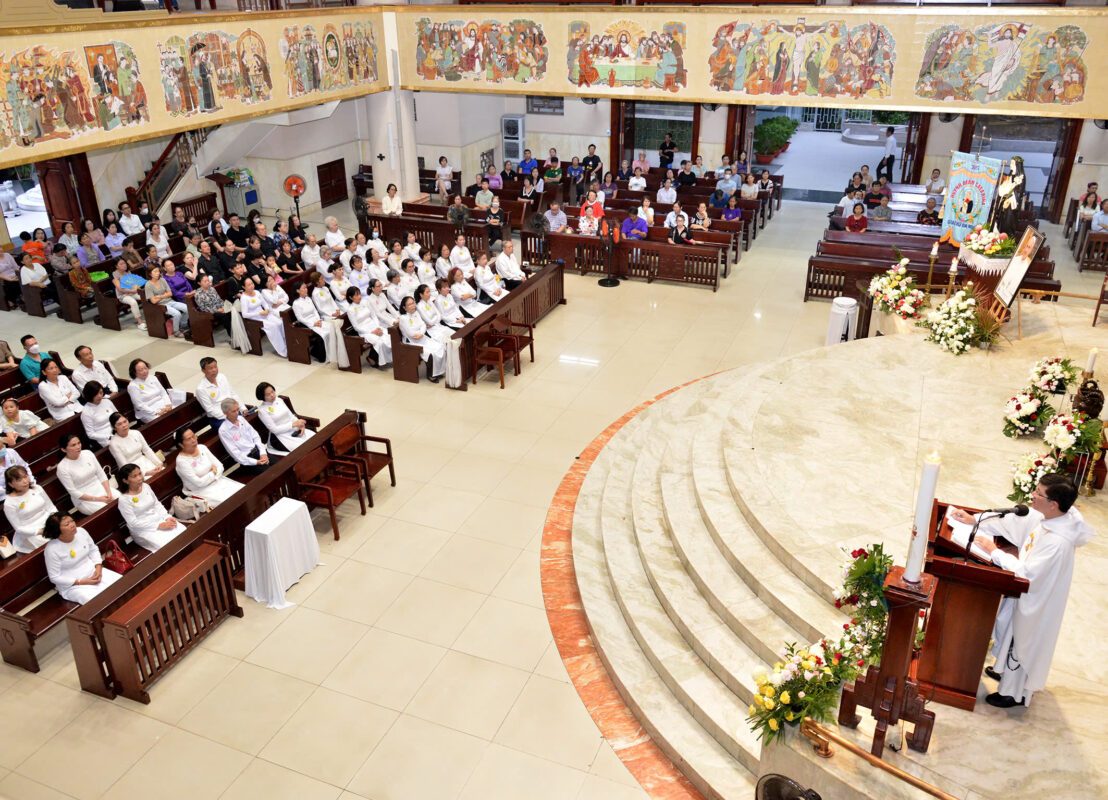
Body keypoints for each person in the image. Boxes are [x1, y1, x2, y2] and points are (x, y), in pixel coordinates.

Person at [950, 475, 1095, 708]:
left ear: (1053, 504)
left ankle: (1013, 693)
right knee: (1010, 632)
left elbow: (1028, 575)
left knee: (1023, 641)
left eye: (1039, 493)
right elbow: (1015, 522)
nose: (1033, 496)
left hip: (1037, 601)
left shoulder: (1058, 542)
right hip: (1025, 592)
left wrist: (994, 552)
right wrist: (975, 519)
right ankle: (1003, 671)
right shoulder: (1052, 516)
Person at [43, 513, 123, 604]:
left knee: (122, 584)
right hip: (73, 585)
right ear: (57, 530)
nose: (72, 525)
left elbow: (93, 549)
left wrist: (98, 568)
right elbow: (54, 577)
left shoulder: (81, 532)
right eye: (67, 524)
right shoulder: (52, 549)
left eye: (72, 521)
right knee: (98, 602)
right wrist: (81, 582)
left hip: (94, 573)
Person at [117, 463, 186, 551]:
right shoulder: (124, 500)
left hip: (159, 519)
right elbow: (133, 523)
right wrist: (158, 526)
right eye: (134, 476)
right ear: (125, 480)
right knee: (168, 545)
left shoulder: (146, 486)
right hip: (143, 530)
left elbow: (156, 504)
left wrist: (167, 517)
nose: (140, 478)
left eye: (140, 474)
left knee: (183, 532)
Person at [175, 427, 242, 507]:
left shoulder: (202, 447)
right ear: (181, 444)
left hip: (218, 481)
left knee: (242, 490)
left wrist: (213, 477)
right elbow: (199, 483)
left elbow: (220, 466)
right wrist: (213, 472)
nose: (193, 440)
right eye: (189, 439)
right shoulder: (182, 461)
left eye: (193, 436)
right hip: (201, 491)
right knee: (230, 502)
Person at [57, 433, 118, 514]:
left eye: (79, 443)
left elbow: (101, 474)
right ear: (64, 449)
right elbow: (73, 491)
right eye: (73, 445)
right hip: (84, 499)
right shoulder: (62, 467)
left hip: (101, 488)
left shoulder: (88, 453)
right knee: (108, 510)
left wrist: (109, 493)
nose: (78, 447)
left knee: (122, 500)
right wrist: (99, 499)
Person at [4, 465, 55, 552]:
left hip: (50, 522)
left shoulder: (36, 488)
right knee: (51, 545)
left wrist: (56, 521)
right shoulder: (9, 503)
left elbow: (51, 507)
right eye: (19, 480)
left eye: (25, 476)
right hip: (31, 532)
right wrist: (40, 531)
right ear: (11, 484)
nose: (25, 481)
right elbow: (19, 528)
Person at [256, 382, 314, 455]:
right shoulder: (262, 410)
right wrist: (293, 424)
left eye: (272, 391)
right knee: (304, 449)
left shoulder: (279, 400)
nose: (272, 395)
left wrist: (300, 425)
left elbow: (291, 416)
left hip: (294, 430)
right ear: (262, 397)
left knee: (314, 439)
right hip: (280, 436)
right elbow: (274, 430)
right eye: (268, 394)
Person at [219, 398, 273, 475]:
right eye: (233, 411)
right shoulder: (223, 430)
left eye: (238, 409)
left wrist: (263, 453)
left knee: (279, 465)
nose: (237, 413)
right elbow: (236, 454)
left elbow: (255, 436)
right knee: (270, 473)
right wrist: (256, 462)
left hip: (257, 451)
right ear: (225, 413)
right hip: (247, 461)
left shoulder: (241, 419)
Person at [398, 296, 445, 382]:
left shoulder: (416, 313)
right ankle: (430, 375)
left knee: (439, 346)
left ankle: (438, 371)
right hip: (411, 342)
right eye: (409, 304)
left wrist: (421, 333)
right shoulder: (403, 318)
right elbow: (410, 333)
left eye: (413, 303)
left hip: (421, 337)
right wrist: (419, 333)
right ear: (404, 307)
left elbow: (423, 325)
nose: (413, 306)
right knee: (430, 352)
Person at [240, 277, 287, 357]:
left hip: (264, 313)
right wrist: (259, 313)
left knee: (280, 322)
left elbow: (264, 303)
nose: (251, 286)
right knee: (273, 326)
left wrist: (267, 310)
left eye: (252, 283)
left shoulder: (257, 292)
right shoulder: (244, 298)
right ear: (244, 287)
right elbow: (244, 314)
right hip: (255, 318)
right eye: (248, 285)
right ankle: (282, 351)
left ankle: (287, 344)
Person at [345, 287, 392, 368]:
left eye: (359, 294)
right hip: (364, 331)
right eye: (356, 295)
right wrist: (371, 332)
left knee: (388, 336)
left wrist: (377, 327)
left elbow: (373, 316)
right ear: (351, 297)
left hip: (374, 325)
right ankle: (371, 358)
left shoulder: (365, 302)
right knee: (379, 341)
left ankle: (386, 358)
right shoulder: (350, 310)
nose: (359, 296)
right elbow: (356, 327)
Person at [196, 357, 246, 426]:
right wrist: (229, 416)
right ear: (203, 371)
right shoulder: (201, 389)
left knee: (247, 422)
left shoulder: (222, 377)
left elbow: (233, 394)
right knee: (237, 426)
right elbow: (210, 410)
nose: (214, 370)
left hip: (233, 412)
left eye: (215, 367)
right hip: (218, 419)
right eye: (210, 368)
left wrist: (243, 408)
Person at [144, 265, 188, 338]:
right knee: (177, 314)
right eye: (155, 271)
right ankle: (176, 331)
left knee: (187, 308)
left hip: (170, 301)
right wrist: (164, 295)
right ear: (150, 273)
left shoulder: (162, 280)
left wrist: (160, 296)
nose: (158, 273)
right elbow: (153, 301)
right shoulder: (148, 285)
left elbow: (170, 293)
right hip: (161, 305)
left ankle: (182, 324)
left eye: (158, 271)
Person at [127, 358, 174, 424]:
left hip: (162, 404)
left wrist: (168, 405)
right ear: (134, 372)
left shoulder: (152, 377)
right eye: (141, 370)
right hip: (148, 411)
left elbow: (163, 393)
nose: (144, 371)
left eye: (145, 368)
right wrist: (156, 412)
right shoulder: (133, 386)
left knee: (176, 412)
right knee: (163, 421)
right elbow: (139, 405)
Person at [79, 381, 117, 448]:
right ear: (90, 395)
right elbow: (90, 434)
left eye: (101, 392)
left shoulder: (107, 401)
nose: (99, 396)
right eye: (96, 394)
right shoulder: (86, 412)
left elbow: (117, 415)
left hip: (116, 429)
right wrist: (109, 437)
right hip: (104, 438)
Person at [111, 259, 147, 330]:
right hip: (123, 295)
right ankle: (140, 323)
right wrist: (132, 290)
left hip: (133, 292)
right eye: (121, 264)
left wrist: (137, 287)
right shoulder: (114, 275)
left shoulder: (128, 272)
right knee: (133, 302)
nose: (124, 265)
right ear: (116, 266)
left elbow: (133, 283)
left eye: (124, 263)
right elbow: (120, 289)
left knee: (145, 297)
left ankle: (151, 315)